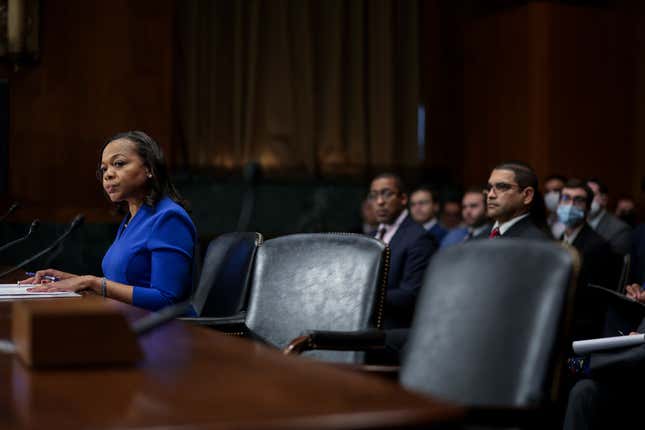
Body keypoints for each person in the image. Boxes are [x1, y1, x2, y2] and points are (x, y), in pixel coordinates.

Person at [21, 131, 196, 312]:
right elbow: (123, 284)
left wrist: (91, 282)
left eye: (118, 164)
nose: (108, 175)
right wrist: (70, 280)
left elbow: (166, 299)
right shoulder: (133, 217)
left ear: (149, 168)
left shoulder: (168, 218)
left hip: (167, 333)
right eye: (104, 169)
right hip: (128, 322)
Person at [369, 173, 436, 329]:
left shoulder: (419, 238)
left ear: (403, 199)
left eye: (387, 194)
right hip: (365, 322)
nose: (379, 201)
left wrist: (364, 296)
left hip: (394, 327)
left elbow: (410, 295)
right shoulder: (370, 237)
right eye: (374, 196)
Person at [485, 161, 550, 240]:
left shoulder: (536, 242)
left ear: (527, 195)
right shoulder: (479, 237)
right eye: (489, 188)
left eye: (502, 187)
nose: (490, 195)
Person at [586, 178, 632, 256]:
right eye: (585, 195)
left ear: (604, 200)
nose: (587, 199)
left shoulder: (620, 230)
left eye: (592, 195)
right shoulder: (575, 221)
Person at [544, 174, 567, 239]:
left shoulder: (571, 219)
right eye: (547, 191)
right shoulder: (548, 220)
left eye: (556, 190)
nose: (551, 195)